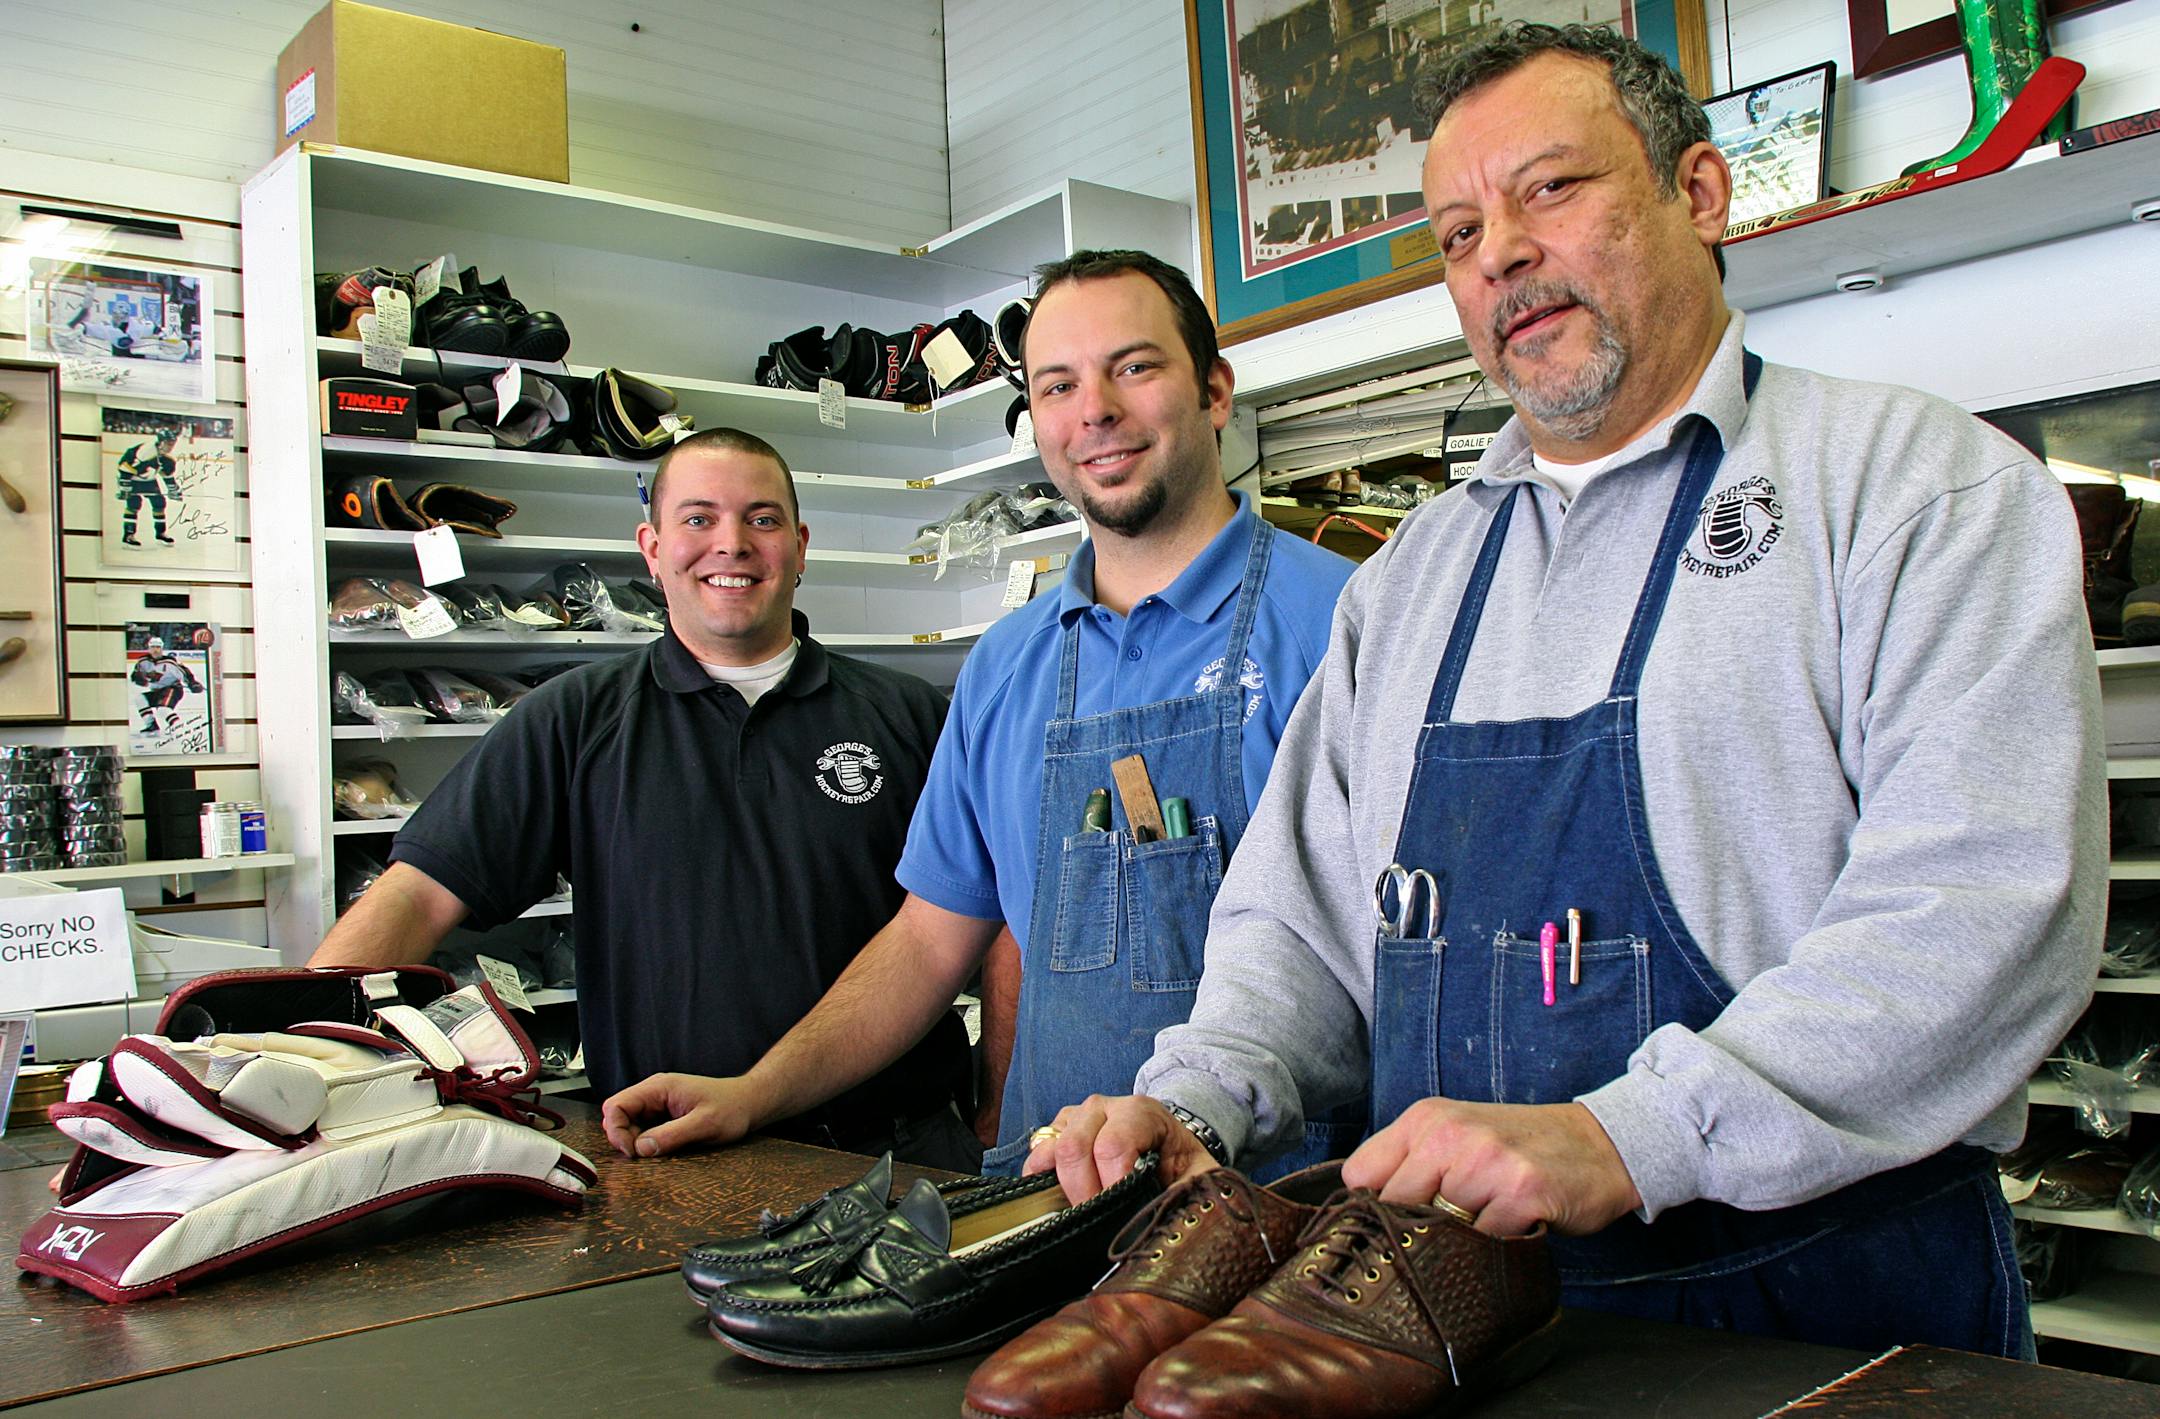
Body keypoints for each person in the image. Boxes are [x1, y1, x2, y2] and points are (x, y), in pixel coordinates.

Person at [1028, 24, 2104, 1359]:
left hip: (1829, 1307)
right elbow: (1298, 922)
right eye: (1458, 233)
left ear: (1699, 192)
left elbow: (1983, 909)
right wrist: (1198, 1098)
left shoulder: (1915, 491)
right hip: (1445, 1318)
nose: (1500, 255)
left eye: (1550, 189)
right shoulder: (1409, 581)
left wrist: (1628, 1134)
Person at [598, 251, 1358, 1173]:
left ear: (1214, 390)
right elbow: (927, 943)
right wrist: (754, 1093)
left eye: (1134, 367)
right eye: (1057, 385)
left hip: (1284, 1213)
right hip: (1056, 1201)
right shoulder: (1005, 665)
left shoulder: (1343, 623)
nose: (1094, 411)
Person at [309, 427, 978, 1171]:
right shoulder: (574, 719)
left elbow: (998, 921)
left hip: (901, 1148)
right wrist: (292, 1050)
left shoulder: (911, 716)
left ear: (799, 546)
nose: (731, 544)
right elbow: (417, 894)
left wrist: (1002, 1110)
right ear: (652, 549)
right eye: (698, 519)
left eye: (761, 519)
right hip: (668, 1152)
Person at [116, 431, 181, 546]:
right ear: (160, 442)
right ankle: (128, 535)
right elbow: (124, 466)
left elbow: (165, 473)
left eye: (172, 444)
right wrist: (124, 486)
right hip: (131, 479)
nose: (170, 447)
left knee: (159, 503)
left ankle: (160, 533)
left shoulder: (167, 458)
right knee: (134, 504)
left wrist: (173, 488)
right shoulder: (145, 452)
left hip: (148, 480)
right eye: (168, 443)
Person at [129, 635, 199, 734]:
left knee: (163, 710)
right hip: (156, 691)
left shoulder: (170, 662)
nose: (155, 650)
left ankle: (179, 728)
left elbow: (185, 672)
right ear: (149, 648)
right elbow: (135, 675)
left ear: (162, 648)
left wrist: (193, 683)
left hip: (172, 689)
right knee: (140, 699)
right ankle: (151, 725)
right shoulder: (142, 662)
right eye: (153, 647)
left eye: (158, 647)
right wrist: (137, 678)